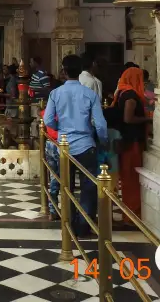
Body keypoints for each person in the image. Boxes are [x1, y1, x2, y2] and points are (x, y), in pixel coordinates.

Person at [44, 54, 108, 238]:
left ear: (63, 71)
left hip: (64, 147)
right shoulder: (90, 94)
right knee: (88, 188)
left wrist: (62, 129)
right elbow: (101, 124)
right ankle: (84, 226)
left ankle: (69, 223)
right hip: (86, 146)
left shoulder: (55, 93)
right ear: (81, 71)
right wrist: (102, 140)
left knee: (67, 187)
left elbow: (48, 120)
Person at [114, 66, 152, 224]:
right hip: (132, 143)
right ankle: (132, 215)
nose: (142, 82)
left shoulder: (123, 91)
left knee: (129, 178)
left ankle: (130, 214)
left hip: (127, 141)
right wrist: (147, 120)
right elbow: (128, 118)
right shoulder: (130, 95)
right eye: (140, 78)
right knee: (132, 179)